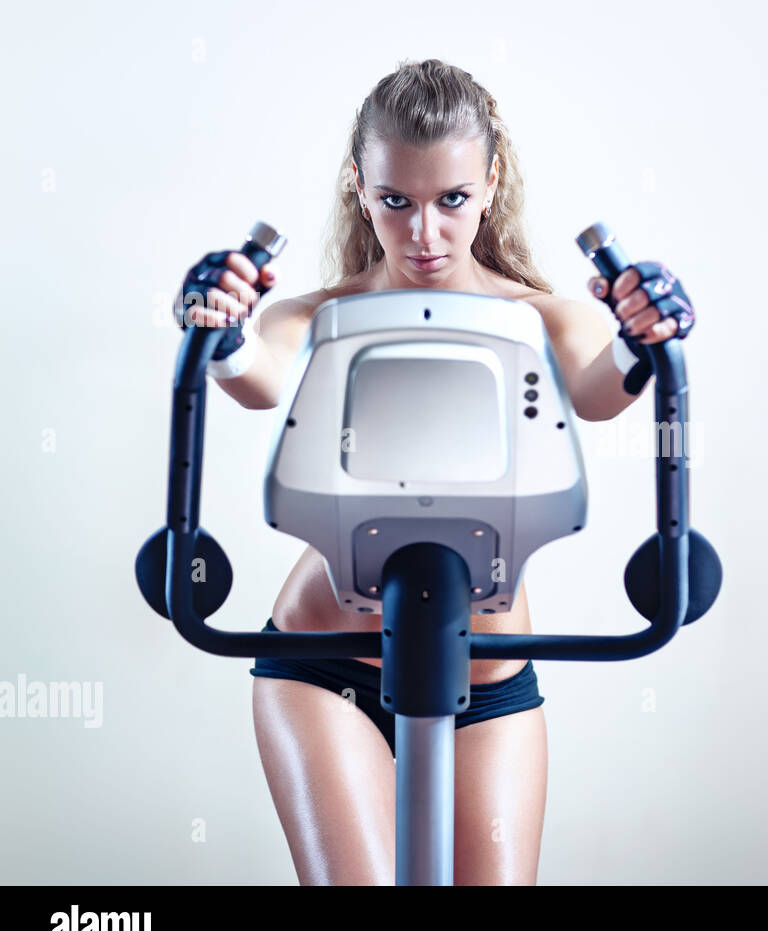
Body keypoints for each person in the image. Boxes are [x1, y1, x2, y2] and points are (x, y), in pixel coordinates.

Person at [180, 58, 694, 885]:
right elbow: (256, 375)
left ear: (490, 184)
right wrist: (223, 325)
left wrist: (642, 338)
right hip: (326, 665)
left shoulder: (542, 319)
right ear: (359, 186)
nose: (425, 234)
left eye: (451, 200)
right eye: (397, 202)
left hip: (486, 680)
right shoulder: (319, 317)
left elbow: (602, 391)